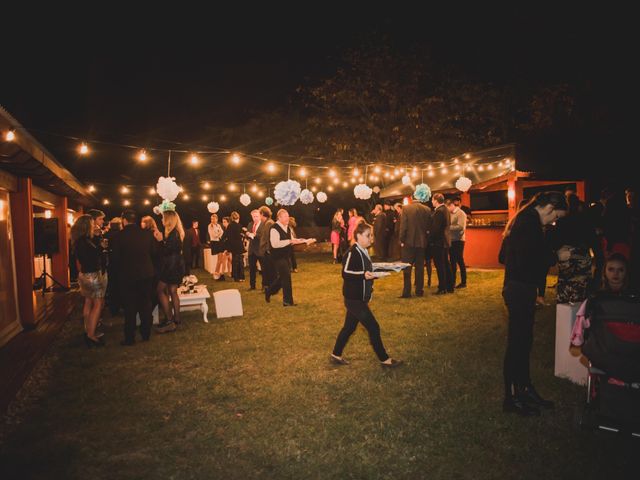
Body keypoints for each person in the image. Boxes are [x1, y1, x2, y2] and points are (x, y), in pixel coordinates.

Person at [499, 191, 568, 416]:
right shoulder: (528, 222)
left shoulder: (529, 220)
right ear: (549, 208)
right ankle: (511, 397)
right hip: (518, 288)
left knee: (524, 341)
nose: (554, 221)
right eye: (555, 216)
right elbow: (528, 259)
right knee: (518, 343)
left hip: (521, 288)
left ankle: (524, 388)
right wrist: (556, 257)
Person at [331, 221, 403, 368]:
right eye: (368, 235)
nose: (371, 238)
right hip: (354, 299)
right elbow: (346, 273)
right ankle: (385, 360)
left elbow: (367, 269)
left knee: (349, 327)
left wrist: (391, 268)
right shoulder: (352, 252)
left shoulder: (363, 251)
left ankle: (335, 354)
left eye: (372, 235)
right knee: (373, 327)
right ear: (358, 236)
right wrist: (364, 275)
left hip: (359, 298)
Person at [112, 210, 157, 345]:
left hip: (127, 275)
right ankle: (145, 334)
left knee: (129, 307)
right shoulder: (147, 234)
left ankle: (130, 337)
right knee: (145, 304)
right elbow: (154, 253)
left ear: (124, 220)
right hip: (146, 274)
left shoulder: (118, 236)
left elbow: (115, 259)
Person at [548, 193, 597, 304]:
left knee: (565, 292)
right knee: (581, 293)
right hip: (582, 260)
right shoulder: (586, 221)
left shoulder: (561, 222)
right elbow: (593, 242)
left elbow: (554, 242)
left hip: (566, 259)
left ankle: (564, 313)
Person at [71, 215, 107, 347]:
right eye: (92, 224)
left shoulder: (78, 240)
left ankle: (88, 330)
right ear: (87, 226)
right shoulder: (85, 242)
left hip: (84, 275)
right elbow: (93, 257)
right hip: (92, 275)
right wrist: (101, 247)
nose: (94, 226)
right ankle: (91, 335)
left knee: (88, 302)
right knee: (97, 303)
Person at [265, 209, 310, 306]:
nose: (287, 219)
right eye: (285, 217)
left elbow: (291, 239)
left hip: (286, 256)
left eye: (288, 216)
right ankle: (287, 301)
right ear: (279, 217)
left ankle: (269, 291)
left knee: (283, 277)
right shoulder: (274, 228)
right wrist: (289, 241)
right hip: (277, 257)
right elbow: (275, 244)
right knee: (286, 277)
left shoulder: (288, 228)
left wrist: (302, 240)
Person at [155, 209, 185, 333]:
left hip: (170, 267)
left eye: (163, 218)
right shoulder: (176, 233)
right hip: (175, 266)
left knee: (160, 290)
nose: (162, 220)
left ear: (168, 220)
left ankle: (169, 320)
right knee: (173, 291)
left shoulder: (173, 234)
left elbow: (167, 251)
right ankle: (176, 318)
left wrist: (161, 241)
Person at [399, 197, 431, 298]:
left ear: (412, 198)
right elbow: (429, 226)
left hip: (409, 242)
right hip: (422, 243)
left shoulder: (406, 208)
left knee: (407, 268)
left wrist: (402, 240)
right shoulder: (427, 209)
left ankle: (407, 292)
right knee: (420, 268)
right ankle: (419, 291)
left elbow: (403, 226)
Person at [429, 193, 454, 294]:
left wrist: (430, 238)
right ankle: (450, 286)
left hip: (439, 242)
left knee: (440, 265)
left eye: (432, 200)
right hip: (445, 241)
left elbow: (436, 229)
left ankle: (442, 287)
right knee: (446, 264)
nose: (431, 202)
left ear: (436, 200)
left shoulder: (439, 211)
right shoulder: (446, 210)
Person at [141, 215, 161, 314]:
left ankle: (150, 309)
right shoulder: (154, 233)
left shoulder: (152, 234)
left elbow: (155, 250)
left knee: (153, 288)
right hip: (154, 263)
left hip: (153, 263)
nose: (141, 224)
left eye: (143, 222)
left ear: (147, 223)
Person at [447, 198, 468, 289]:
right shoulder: (450, 213)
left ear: (451, 205)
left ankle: (463, 282)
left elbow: (460, 227)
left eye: (447, 208)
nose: (447, 210)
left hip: (459, 240)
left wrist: (448, 227)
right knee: (452, 261)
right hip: (451, 240)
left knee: (460, 260)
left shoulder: (461, 213)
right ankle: (452, 282)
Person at [104, 217, 123, 316]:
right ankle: (122, 305)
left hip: (111, 264)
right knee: (122, 285)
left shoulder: (106, 235)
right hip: (121, 264)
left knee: (112, 286)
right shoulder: (122, 235)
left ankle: (113, 308)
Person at [257, 206, 275, 289]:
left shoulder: (269, 223)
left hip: (268, 251)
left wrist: (268, 250)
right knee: (266, 270)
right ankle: (266, 286)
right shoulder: (265, 223)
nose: (259, 217)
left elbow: (269, 238)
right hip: (265, 251)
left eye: (259, 214)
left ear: (262, 214)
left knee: (269, 270)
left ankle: (270, 286)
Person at [225, 211, 245, 282]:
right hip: (239, 245)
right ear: (238, 218)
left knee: (234, 261)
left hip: (233, 246)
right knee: (240, 261)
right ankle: (241, 277)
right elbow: (239, 235)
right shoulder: (239, 226)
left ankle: (235, 277)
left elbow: (227, 236)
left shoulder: (229, 226)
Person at [246, 209, 262, 289]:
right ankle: (252, 286)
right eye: (253, 216)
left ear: (260, 216)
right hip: (251, 250)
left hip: (260, 249)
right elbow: (247, 234)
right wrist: (248, 234)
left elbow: (262, 235)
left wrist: (255, 235)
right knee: (252, 269)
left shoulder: (263, 224)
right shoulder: (250, 224)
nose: (255, 218)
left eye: (256, 216)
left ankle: (264, 285)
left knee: (263, 269)